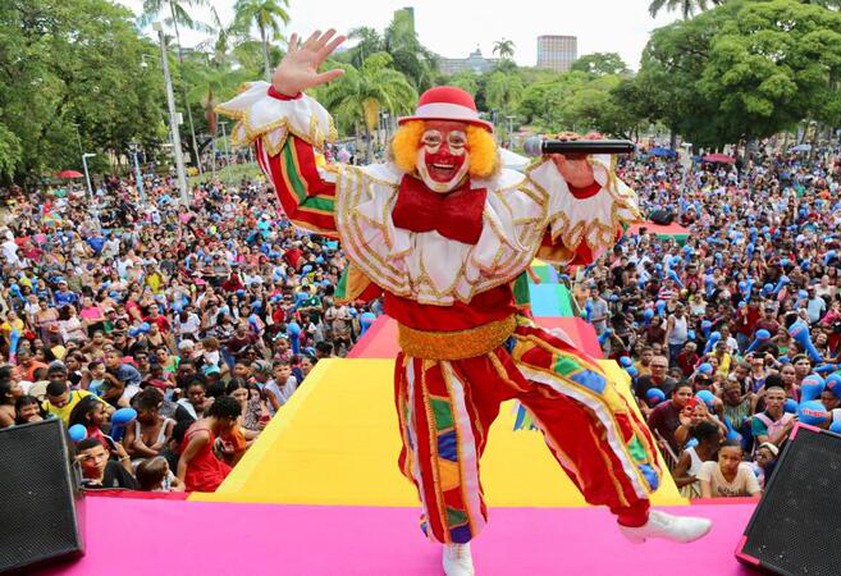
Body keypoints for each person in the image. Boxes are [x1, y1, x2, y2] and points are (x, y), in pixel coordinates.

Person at [216, 29, 710, 575]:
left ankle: (636, 514)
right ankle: (456, 543)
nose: (445, 152)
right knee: (443, 455)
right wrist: (283, 97)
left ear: (475, 148)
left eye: (458, 141)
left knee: (595, 396)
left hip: (508, 339)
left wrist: (581, 184)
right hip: (430, 355)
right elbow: (303, 195)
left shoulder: (514, 197)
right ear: (412, 144)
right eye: (432, 139)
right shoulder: (374, 194)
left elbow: (577, 251)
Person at [176, 395, 242, 492]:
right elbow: (183, 460)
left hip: (208, 462)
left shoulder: (204, 422)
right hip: (198, 474)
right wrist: (180, 485)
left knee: (236, 476)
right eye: (232, 420)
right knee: (230, 488)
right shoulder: (203, 435)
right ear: (228, 418)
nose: (232, 424)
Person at [671, 420, 721, 498]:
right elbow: (674, 481)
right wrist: (696, 477)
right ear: (704, 440)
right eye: (716, 439)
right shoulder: (688, 455)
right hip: (694, 500)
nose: (719, 441)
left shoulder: (718, 454)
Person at [696, 441, 762, 498]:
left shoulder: (746, 471)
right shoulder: (708, 467)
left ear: (741, 459)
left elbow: (757, 498)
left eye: (734, 459)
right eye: (724, 457)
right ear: (718, 454)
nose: (728, 463)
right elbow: (706, 499)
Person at [42, 380, 112, 423]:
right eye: (54, 403)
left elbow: (111, 409)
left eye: (63, 400)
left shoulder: (82, 395)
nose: (60, 405)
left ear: (68, 391)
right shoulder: (45, 407)